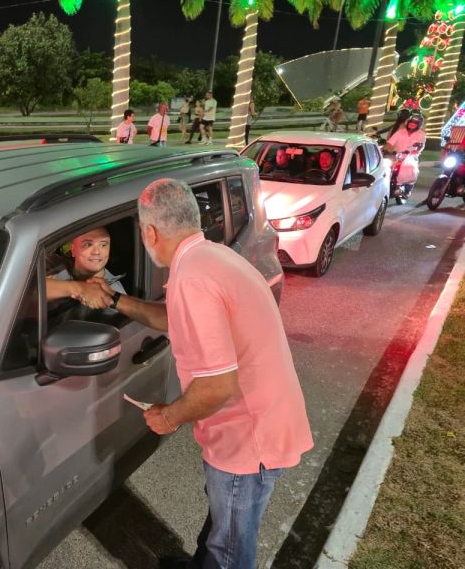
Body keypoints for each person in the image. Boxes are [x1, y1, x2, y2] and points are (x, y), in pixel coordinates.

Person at [88, 178, 313, 569]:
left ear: (150, 232)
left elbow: (218, 386)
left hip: (248, 440)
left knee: (231, 551)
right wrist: (118, 301)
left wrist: (168, 416)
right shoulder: (210, 257)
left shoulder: (193, 278)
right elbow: (175, 318)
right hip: (261, 424)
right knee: (223, 527)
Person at [46, 226, 126, 310]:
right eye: (88, 244)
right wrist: (80, 288)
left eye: (103, 245)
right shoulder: (54, 263)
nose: (96, 252)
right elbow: (36, 288)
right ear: (73, 250)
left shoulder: (113, 295)